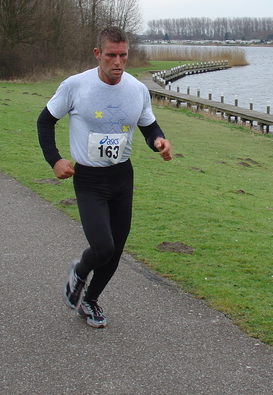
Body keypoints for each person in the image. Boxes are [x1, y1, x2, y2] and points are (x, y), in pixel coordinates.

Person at [37, 27, 172, 328]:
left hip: (122, 178)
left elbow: (150, 127)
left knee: (116, 249)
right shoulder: (75, 86)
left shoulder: (137, 90)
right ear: (98, 54)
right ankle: (79, 272)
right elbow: (45, 121)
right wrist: (55, 160)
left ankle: (90, 299)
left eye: (123, 55)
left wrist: (159, 142)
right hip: (89, 180)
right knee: (103, 247)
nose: (118, 62)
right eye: (111, 55)